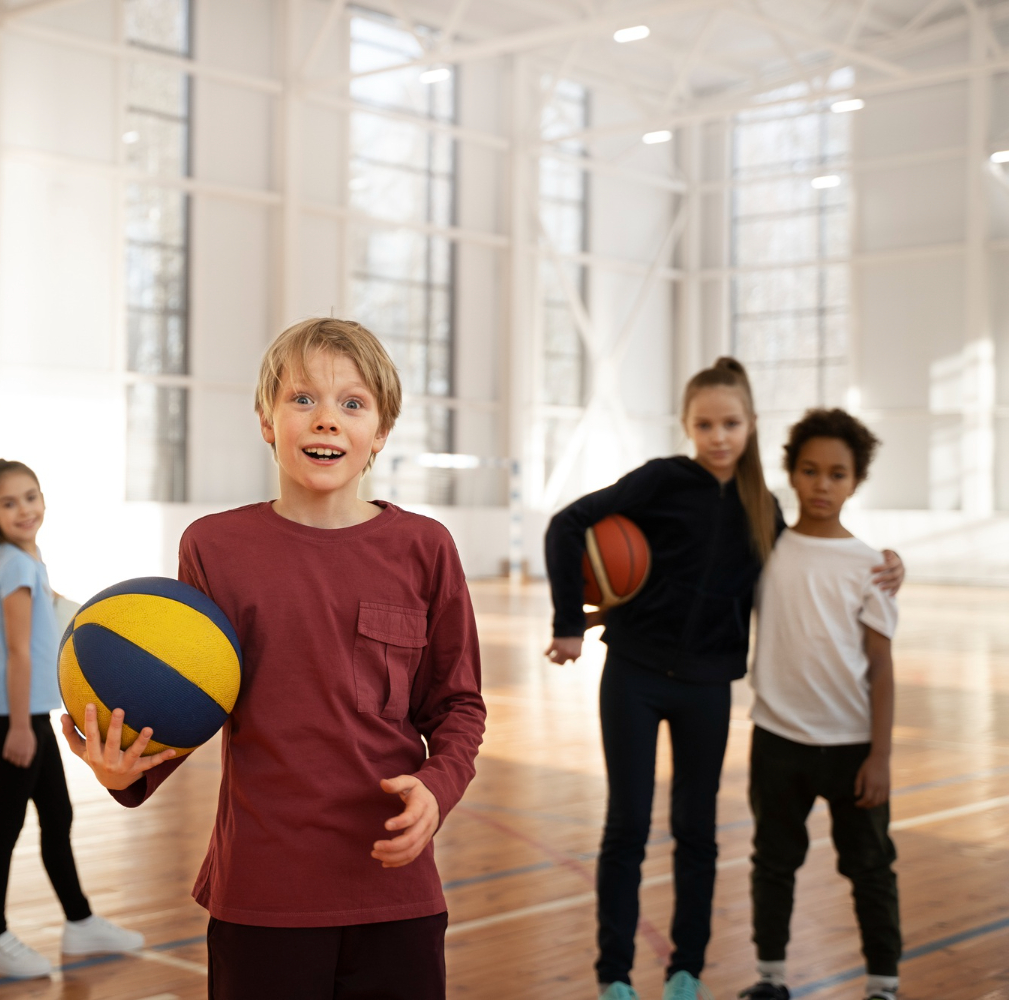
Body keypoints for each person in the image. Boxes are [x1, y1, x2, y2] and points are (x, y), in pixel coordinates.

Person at [59, 318, 487, 1000]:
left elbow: (459, 704)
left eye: (352, 404)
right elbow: (188, 697)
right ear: (267, 420)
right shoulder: (215, 548)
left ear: (380, 433)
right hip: (263, 894)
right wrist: (124, 774)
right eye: (302, 399)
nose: (326, 421)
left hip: (396, 892)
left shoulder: (425, 547)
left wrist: (438, 789)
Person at [543, 359, 903, 1000]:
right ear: (686, 425)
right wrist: (572, 619)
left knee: (697, 833)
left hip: (707, 688)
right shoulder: (660, 481)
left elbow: (810, 562)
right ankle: (614, 978)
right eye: (704, 424)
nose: (717, 436)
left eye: (730, 423)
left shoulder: (762, 509)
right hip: (634, 674)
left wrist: (888, 563)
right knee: (626, 826)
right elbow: (567, 523)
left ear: (752, 425)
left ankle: (686, 971)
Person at [739, 410, 900, 1000]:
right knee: (773, 863)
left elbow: (881, 667)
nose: (822, 485)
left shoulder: (871, 566)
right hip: (777, 740)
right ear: (792, 473)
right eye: (810, 471)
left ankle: (884, 984)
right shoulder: (768, 545)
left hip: (853, 745)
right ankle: (771, 978)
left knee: (871, 868)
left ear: (856, 481)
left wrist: (880, 755)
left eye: (837, 474)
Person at [0, 458, 144, 978]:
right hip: (13, 716)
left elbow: (50, 606)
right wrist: (21, 726)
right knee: (5, 825)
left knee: (57, 817)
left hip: (21, 712)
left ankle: (80, 922)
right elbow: (19, 653)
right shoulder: (16, 564)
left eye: (31, 497)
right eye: (9, 502)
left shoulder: (19, 557)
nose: (24, 509)